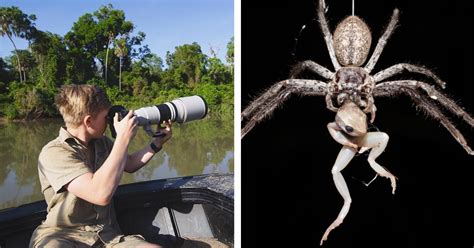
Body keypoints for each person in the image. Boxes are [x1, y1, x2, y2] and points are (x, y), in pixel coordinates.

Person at [29, 84, 172, 248]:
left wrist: (157, 143)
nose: (110, 121)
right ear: (88, 121)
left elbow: (130, 163)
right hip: (62, 235)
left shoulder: (101, 142)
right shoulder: (54, 152)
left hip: (107, 235)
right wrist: (122, 139)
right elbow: (99, 194)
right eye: (106, 117)